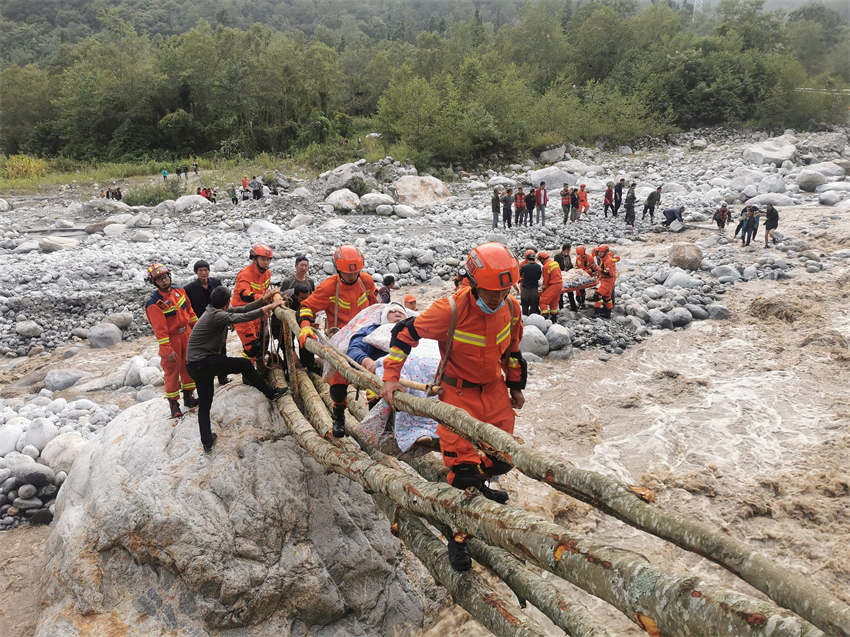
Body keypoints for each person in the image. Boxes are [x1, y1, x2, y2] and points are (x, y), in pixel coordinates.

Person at [381, 242, 526, 572]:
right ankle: (457, 537)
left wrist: (515, 386)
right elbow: (404, 334)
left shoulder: (512, 308)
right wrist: (391, 376)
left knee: (503, 459)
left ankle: (481, 484)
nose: (499, 298)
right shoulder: (451, 310)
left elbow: (513, 350)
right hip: (458, 395)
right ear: (474, 285)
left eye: (505, 290)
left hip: (494, 392)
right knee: (462, 472)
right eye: (492, 292)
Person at [186, 286, 287, 452]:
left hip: (194, 364)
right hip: (203, 362)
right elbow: (245, 316)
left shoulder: (212, 310)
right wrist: (269, 307)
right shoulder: (217, 315)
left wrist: (264, 299)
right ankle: (272, 393)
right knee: (244, 364)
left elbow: (244, 308)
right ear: (226, 302)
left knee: (205, 404)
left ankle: (207, 441)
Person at [298, 245, 378, 437]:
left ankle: (376, 422)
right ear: (338, 269)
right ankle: (339, 417)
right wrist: (306, 325)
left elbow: (376, 305)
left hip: (365, 336)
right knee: (338, 384)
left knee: (374, 378)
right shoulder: (329, 286)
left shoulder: (365, 281)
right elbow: (307, 307)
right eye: (348, 273)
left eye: (356, 272)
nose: (352, 276)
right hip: (340, 340)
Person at [144, 263, 199, 419]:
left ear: (169, 276)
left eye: (165, 277)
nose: (163, 281)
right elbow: (159, 330)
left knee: (189, 366)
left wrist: (197, 328)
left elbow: (190, 312)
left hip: (186, 334)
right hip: (171, 339)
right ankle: (174, 405)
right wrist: (167, 349)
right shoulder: (154, 304)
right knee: (172, 372)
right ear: (154, 282)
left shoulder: (179, 292)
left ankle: (189, 397)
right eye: (159, 279)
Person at [231, 244, 274, 362]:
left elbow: (264, 291)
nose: (266, 262)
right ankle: (248, 374)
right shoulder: (245, 274)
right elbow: (244, 294)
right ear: (254, 259)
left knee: (264, 342)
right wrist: (264, 298)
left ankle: (260, 370)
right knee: (251, 348)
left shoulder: (267, 274)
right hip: (243, 314)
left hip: (258, 313)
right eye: (263, 259)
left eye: (268, 260)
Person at [347, 303, 409, 373]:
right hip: (380, 371)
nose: (398, 314)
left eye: (401, 312)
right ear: (384, 315)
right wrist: (366, 362)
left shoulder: (415, 332)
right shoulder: (371, 330)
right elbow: (353, 350)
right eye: (392, 311)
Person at [538, 251, 563, 323]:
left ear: (542, 259)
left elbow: (546, 280)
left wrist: (543, 289)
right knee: (554, 301)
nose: (541, 262)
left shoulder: (546, 267)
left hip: (553, 285)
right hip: (560, 284)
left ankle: (545, 317)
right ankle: (554, 318)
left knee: (542, 301)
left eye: (540, 260)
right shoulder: (555, 263)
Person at [593, 245, 617, 318]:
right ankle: (607, 313)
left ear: (606, 252)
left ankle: (596, 313)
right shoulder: (604, 259)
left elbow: (608, 273)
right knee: (607, 297)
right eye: (599, 252)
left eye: (601, 252)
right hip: (606, 281)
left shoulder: (608, 261)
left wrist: (599, 270)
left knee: (597, 295)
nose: (600, 254)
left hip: (607, 281)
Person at [554, 243, 577, 311]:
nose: (569, 251)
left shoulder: (568, 256)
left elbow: (570, 265)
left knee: (570, 291)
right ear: (565, 250)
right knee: (560, 293)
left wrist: (573, 270)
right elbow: (556, 266)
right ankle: (561, 308)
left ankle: (574, 307)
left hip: (568, 276)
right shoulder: (557, 256)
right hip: (560, 276)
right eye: (569, 250)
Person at [518, 249, 542, 316]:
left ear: (527, 259)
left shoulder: (523, 266)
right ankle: (532, 317)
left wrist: (522, 279)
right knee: (534, 304)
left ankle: (525, 317)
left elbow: (518, 275)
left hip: (525, 289)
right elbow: (539, 277)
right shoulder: (538, 266)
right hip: (534, 289)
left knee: (524, 304)